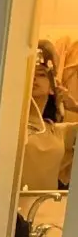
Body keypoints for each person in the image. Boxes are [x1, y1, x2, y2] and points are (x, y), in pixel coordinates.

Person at [22, 39, 78, 191]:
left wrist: (74, 106)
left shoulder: (58, 132)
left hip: (49, 204)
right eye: (29, 73)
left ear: (53, 86)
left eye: (41, 74)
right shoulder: (10, 127)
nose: (34, 78)